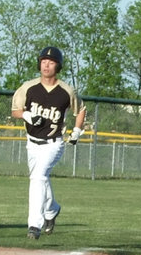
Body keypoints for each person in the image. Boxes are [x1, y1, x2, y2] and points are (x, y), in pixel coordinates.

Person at [11, 46, 86, 240]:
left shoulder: (66, 91)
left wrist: (77, 130)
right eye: (43, 60)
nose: (46, 64)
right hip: (32, 142)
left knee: (37, 178)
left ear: (58, 66)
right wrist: (27, 115)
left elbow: (81, 109)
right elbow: (15, 110)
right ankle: (52, 210)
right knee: (41, 178)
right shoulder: (28, 87)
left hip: (54, 143)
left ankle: (34, 225)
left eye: (51, 61)